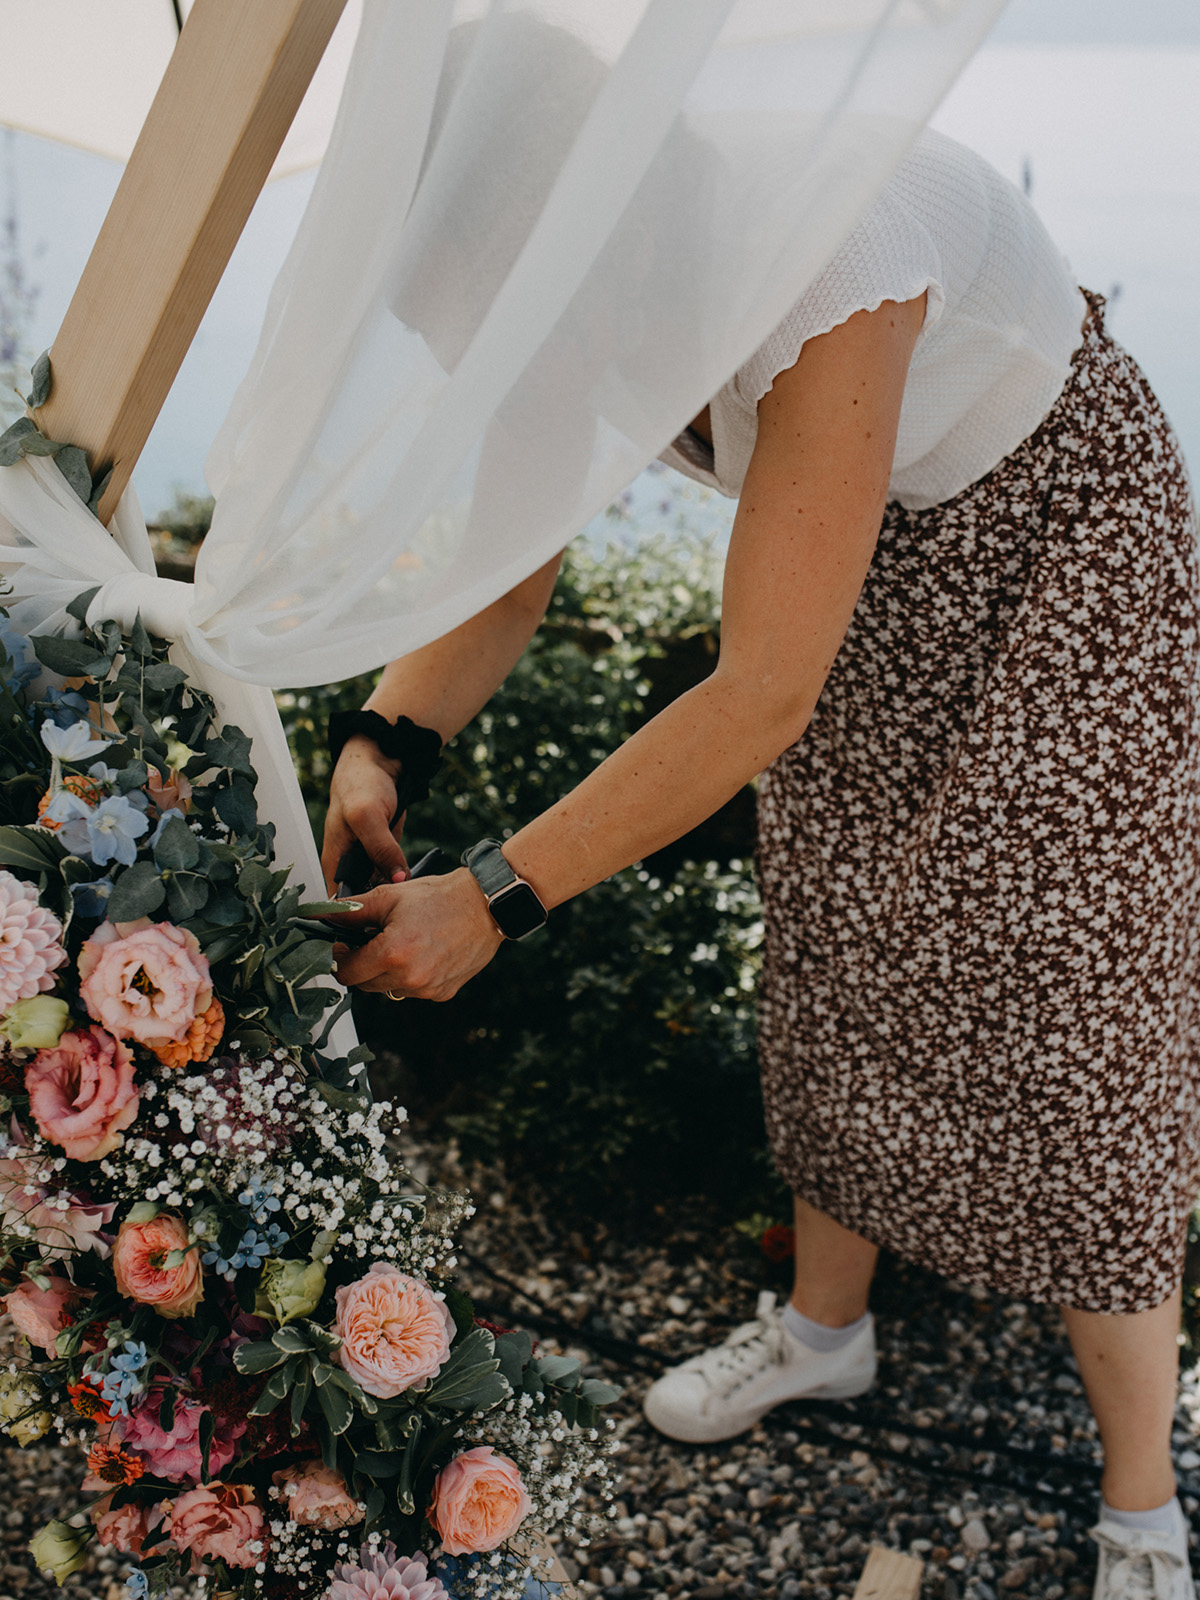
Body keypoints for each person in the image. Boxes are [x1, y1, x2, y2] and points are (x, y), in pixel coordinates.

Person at [321, 127, 1200, 1600]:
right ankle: (823, 1337)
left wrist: (494, 897)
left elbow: (760, 693)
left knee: (1071, 1023)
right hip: (852, 561)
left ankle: (1144, 1505)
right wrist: (384, 743)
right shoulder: (565, 276)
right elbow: (513, 557)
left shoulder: (828, 248)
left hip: (1058, 570)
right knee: (840, 943)